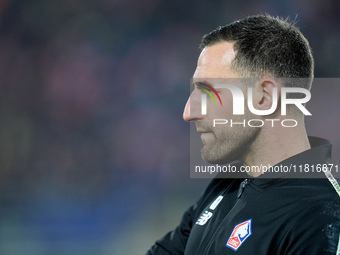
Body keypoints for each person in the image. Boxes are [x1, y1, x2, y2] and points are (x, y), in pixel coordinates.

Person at [146, 14, 340, 255]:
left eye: (208, 91)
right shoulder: (226, 186)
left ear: (264, 98)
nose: (188, 112)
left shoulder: (322, 218)